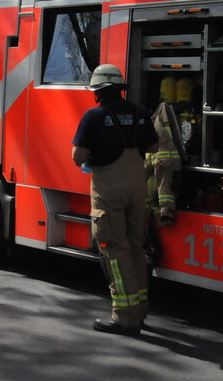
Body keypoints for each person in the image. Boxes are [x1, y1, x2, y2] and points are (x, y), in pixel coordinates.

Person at [71, 64, 158, 336]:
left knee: (115, 253)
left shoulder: (93, 116)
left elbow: (78, 157)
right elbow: (154, 146)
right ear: (119, 89)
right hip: (137, 188)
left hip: (109, 192)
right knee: (136, 249)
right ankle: (140, 313)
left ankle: (124, 319)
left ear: (97, 92)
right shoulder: (140, 112)